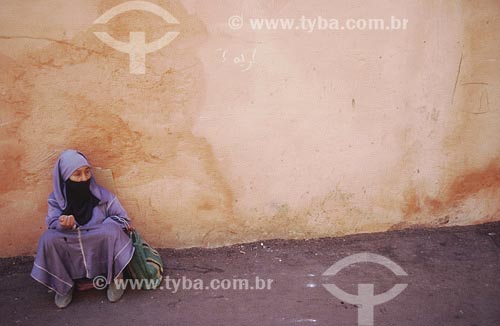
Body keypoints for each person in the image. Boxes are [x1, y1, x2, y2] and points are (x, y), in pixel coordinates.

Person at [31, 149, 135, 308]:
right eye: (77, 174)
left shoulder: (102, 196)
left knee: (112, 232)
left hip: (97, 240)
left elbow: (123, 219)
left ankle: (116, 278)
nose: (84, 178)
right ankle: (63, 286)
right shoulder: (55, 200)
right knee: (48, 239)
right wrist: (62, 224)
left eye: (87, 172)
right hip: (70, 240)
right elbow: (52, 223)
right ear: (65, 177)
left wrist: (107, 225)